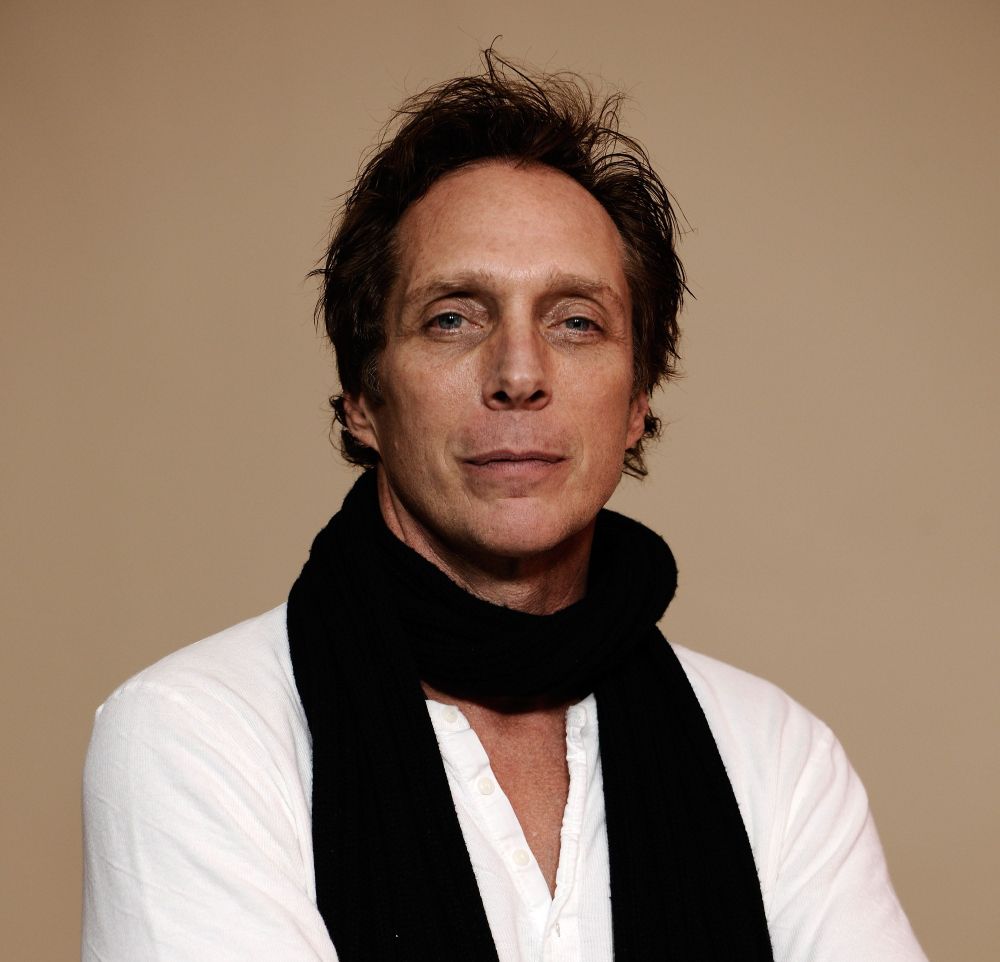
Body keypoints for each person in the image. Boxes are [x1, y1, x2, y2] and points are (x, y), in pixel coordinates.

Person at [82, 53, 928, 962]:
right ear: (363, 396)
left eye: (576, 321)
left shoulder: (776, 756)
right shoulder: (196, 734)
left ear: (637, 400)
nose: (519, 374)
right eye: (454, 317)